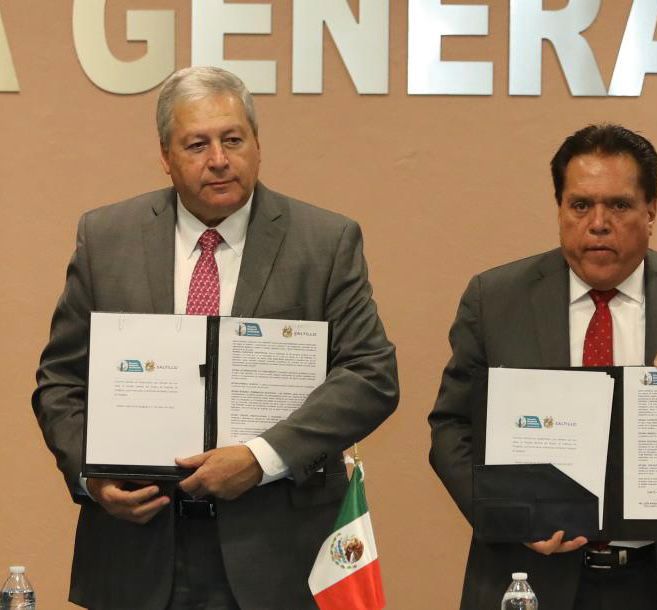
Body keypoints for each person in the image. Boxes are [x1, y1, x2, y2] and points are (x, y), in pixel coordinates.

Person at [32, 66, 399, 610]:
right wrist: (94, 477)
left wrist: (261, 456)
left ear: (257, 144)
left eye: (233, 139)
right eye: (197, 144)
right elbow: (61, 381)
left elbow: (371, 375)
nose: (219, 159)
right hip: (136, 548)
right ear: (166, 156)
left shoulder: (324, 242)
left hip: (276, 550)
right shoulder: (106, 238)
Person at [428, 124, 657, 610]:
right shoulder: (495, 300)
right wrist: (507, 516)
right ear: (559, 208)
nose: (598, 223)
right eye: (580, 205)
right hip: (533, 576)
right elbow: (451, 428)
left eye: (618, 205)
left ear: (651, 210)